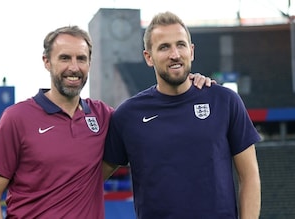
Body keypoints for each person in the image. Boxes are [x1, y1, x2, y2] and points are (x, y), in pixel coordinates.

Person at [0, 25, 213, 218]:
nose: (74, 67)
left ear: (89, 63)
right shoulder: (17, 118)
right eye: (64, 58)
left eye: (81, 58)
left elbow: (153, 118)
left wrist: (188, 86)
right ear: (47, 62)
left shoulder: (104, 116)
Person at [103, 11, 261, 219]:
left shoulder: (224, 101)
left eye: (180, 45)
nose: (175, 54)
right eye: (164, 47)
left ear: (191, 51)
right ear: (148, 57)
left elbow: (249, 176)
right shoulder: (128, 115)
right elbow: (92, 180)